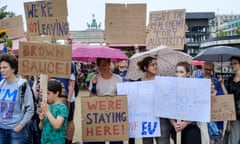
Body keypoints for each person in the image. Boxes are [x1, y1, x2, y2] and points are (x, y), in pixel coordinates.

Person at [131, 56, 170, 144]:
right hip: (145, 119)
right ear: (145, 67)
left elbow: (168, 99)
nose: (155, 66)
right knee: (147, 142)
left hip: (161, 118)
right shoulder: (138, 82)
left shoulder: (163, 81)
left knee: (163, 142)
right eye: (152, 65)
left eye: (156, 64)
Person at [86, 58, 123, 144]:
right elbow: (91, 97)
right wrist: (94, 86)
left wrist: (116, 96)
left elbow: (123, 97)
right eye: (100, 65)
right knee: (97, 139)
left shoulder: (118, 79)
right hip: (99, 114)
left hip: (114, 114)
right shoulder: (94, 79)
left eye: (104, 65)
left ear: (109, 64)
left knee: (115, 140)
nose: (102, 68)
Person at [0, 54, 34, 144]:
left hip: (16, 131)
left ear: (13, 69)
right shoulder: (1, 84)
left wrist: (21, 125)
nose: (2, 70)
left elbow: (30, 109)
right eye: (1, 68)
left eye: (5, 67)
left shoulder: (22, 85)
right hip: (1, 130)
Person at [170, 61, 201, 144]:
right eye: (176, 72)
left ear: (187, 74)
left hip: (191, 127)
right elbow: (167, 108)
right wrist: (174, 124)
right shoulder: (171, 88)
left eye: (181, 72)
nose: (178, 74)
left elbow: (198, 108)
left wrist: (186, 123)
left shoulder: (194, 88)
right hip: (176, 127)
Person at [39, 79, 69, 144]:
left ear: (56, 93)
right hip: (44, 141)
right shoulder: (48, 106)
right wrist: (41, 120)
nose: (46, 96)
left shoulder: (62, 107)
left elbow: (57, 126)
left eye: (48, 93)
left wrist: (47, 112)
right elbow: (41, 128)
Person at [223, 56, 240, 144]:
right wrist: (222, 84)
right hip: (235, 115)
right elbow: (228, 99)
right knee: (233, 140)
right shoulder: (229, 80)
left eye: (235, 63)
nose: (232, 65)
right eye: (231, 63)